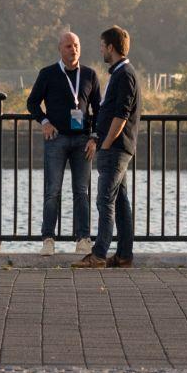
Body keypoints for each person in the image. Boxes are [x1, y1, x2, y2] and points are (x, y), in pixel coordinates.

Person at [26, 29, 102, 256]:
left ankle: (83, 239)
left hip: (83, 141)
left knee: (82, 191)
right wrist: (45, 121)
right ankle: (48, 239)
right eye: (68, 46)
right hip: (56, 138)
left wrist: (94, 137)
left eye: (76, 45)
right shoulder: (48, 73)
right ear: (60, 49)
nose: (73, 49)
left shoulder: (90, 75)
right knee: (52, 191)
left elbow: (98, 110)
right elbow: (32, 103)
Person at [75, 25, 139, 270]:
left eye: (102, 46)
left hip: (115, 149)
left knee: (104, 200)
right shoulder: (120, 73)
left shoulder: (124, 75)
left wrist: (107, 143)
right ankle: (123, 255)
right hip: (115, 148)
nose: (101, 50)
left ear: (111, 47)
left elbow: (121, 115)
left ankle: (99, 253)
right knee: (120, 201)